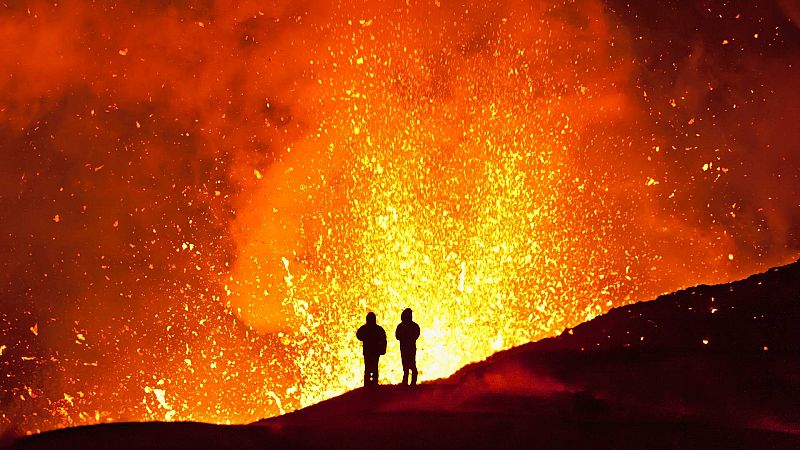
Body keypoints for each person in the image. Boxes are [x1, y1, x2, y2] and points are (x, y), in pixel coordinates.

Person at [356, 312, 386, 387]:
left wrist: (365, 338)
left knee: (368, 367)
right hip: (375, 351)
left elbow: (358, 335)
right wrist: (383, 349)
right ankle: (374, 383)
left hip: (368, 351)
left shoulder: (365, 328)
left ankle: (367, 384)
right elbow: (384, 339)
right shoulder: (378, 329)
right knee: (374, 367)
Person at [395, 308, 420, 386]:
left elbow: (398, 336)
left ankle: (409, 381)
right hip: (408, 347)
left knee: (410, 364)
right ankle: (409, 381)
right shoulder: (414, 326)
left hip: (407, 347)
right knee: (407, 364)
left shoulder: (402, 326)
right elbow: (398, 336)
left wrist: (406, 338)